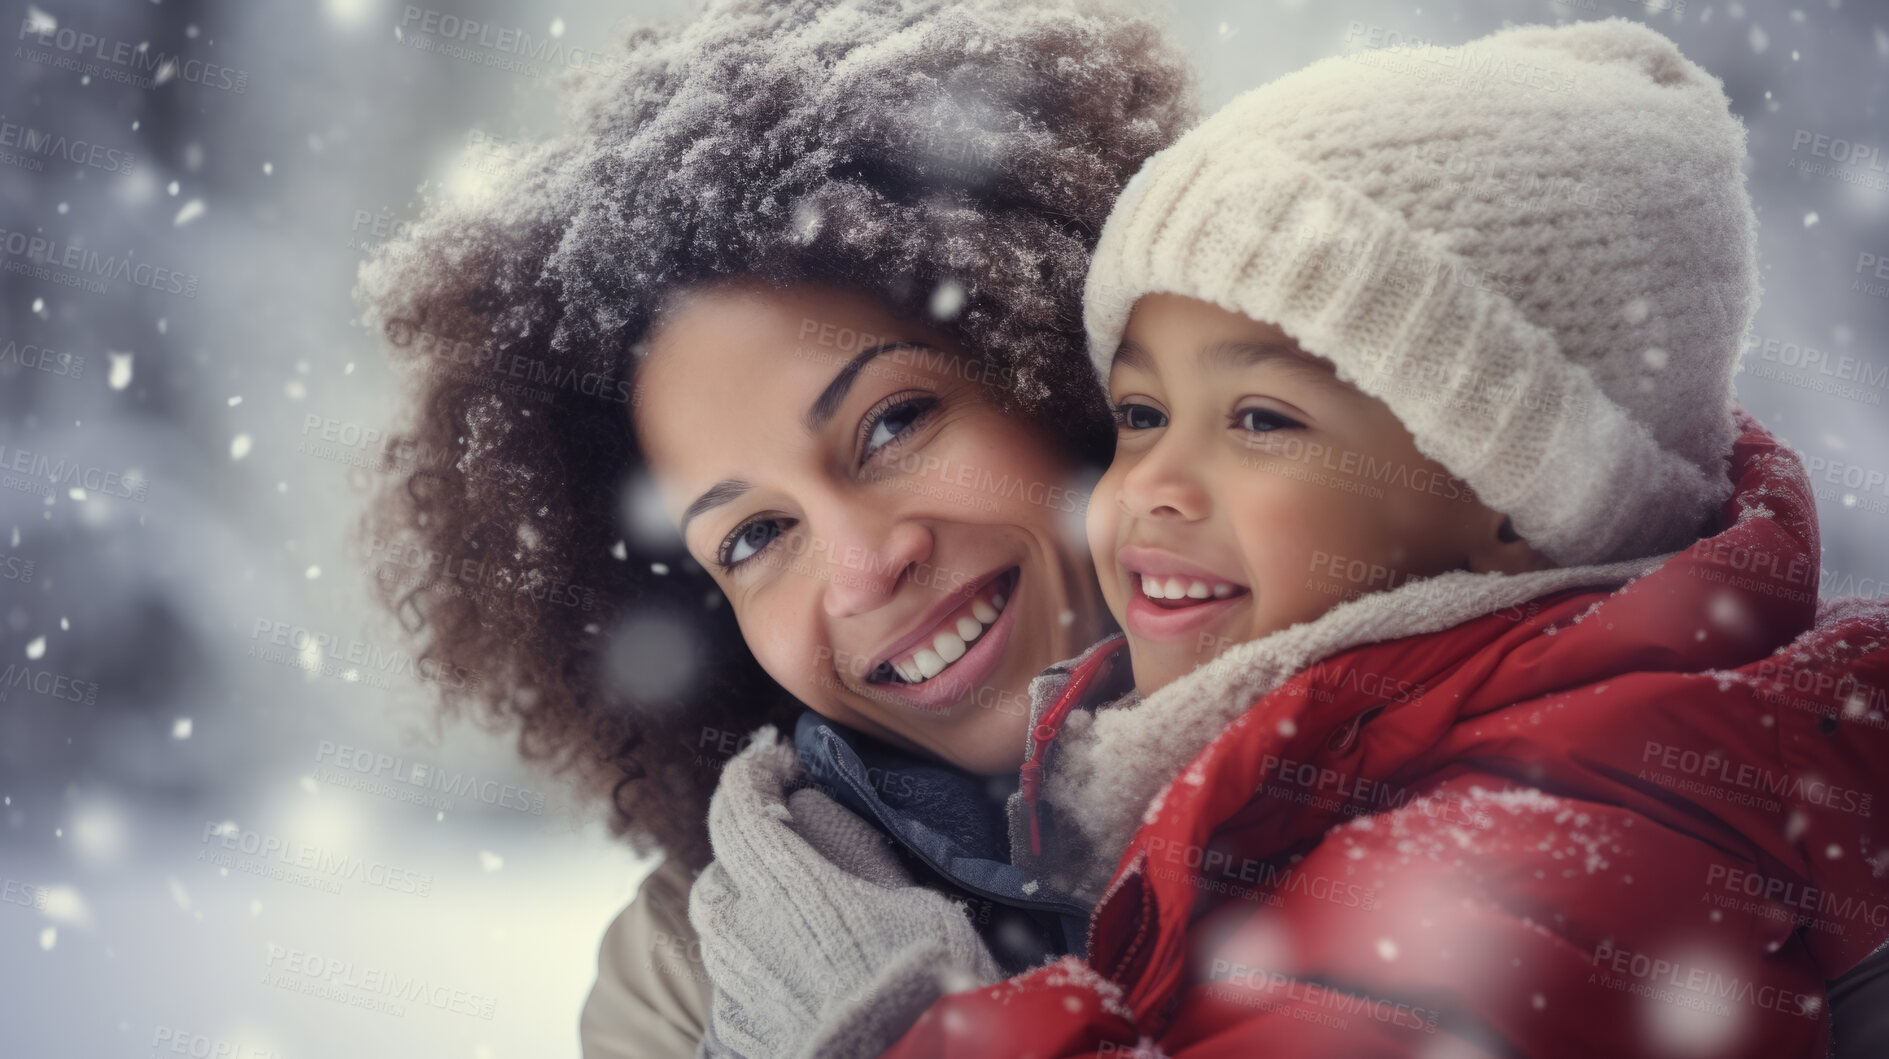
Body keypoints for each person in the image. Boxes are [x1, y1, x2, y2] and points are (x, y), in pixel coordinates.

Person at [694, 18, 1889, 1057]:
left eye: (1260, 419)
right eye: (1140, 416)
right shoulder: (1360, 769)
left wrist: (888, 1019)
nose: (1151, 485)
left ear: (1514, 500)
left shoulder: (1535, 848)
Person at [350, 0, 1195, 1055]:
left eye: (892, 422)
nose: (862, 567)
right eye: (752, 538)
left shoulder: (1420, 696)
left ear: (1058, 360)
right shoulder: (691, 984)